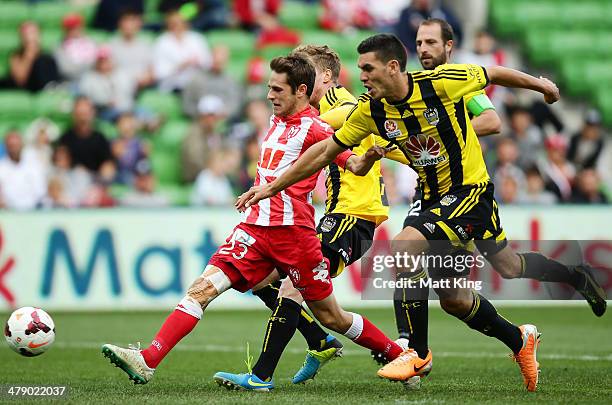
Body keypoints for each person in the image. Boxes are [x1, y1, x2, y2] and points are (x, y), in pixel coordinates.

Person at [236, 33, 607, 392]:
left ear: (394, 66)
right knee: (462, 296)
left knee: (405, 247)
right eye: (419, 43)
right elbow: (328, 150)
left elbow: (494, 77)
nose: (361, 76)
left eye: (367, 69)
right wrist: (272, 186)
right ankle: (527, 330)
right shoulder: (372, 108)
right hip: (429, 197)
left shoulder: (444, 81)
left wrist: (542, 86)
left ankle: (415, 351)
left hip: (469, 191)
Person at [101, 55, 411, 388]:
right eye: (268, 88)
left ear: (301, 91)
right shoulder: (275, 120)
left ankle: (399, 355)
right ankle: (148, 359)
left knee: (331, 316)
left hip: (295, 236)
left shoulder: (318, 128)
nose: (270, 95)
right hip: (253, 229)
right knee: (202, 288)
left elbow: (353, 164)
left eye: (277, 89)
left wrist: (369, 157)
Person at [214, 44, 408, 389]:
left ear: (327, 77)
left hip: (353, 217)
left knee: (293, 290)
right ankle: (366, 350)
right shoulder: (315, 114)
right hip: (334, 215)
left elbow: (349, 118)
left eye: (308, 74)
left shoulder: (339, 105)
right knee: (268, 284)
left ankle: (261, 375)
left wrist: (295, 121)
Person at [6, 21, 60, 92]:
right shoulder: (16, 56)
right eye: (27, 34)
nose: (30, 37)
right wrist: (29, 53)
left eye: (33, 33)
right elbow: (20, 79)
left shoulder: (48, 58)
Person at [0, 130, 47, 210]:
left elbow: (40, 191)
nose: (14, 149)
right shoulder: (1, 167)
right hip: (8, 212)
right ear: (6, 146)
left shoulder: (34, 165)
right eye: (11, 146)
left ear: (22, 145)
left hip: (33, 211)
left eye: (16, 145)